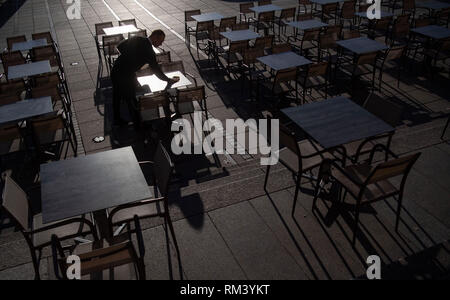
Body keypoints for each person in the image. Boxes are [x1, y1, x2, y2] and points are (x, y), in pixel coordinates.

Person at [111, 29, 179, 127]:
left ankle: (119, 119)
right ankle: (137, 124)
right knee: (130, 97)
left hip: (118, 70)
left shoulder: (138, 38)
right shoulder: (149, 52)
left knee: (118, 96)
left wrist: (128, 59)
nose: (161, 44)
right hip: (124, 75)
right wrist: (168, 80)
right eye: (161, 41)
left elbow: (120, 46)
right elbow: (156, 70)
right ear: (155, 37)